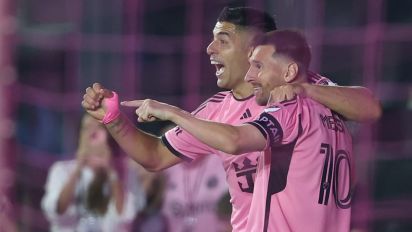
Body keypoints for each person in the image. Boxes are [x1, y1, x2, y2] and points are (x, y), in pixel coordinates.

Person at [81, 7, 380, 231]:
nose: (209, 49)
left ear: (255, 47)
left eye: (222, 40)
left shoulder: (302, 95)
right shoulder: (216, 111)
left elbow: (368, 106)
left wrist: (303, 88)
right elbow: (155, 156)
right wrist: (114, 119)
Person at [127, 29, 354, 232]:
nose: (249, 75)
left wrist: (174, 113)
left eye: (258, 66)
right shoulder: (335, 112)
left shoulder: (288, 108)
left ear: (288, 72)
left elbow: (235, 140)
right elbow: (370, 106)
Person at [41, 114, 144, 232]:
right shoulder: (61, 170)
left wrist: (110, 170)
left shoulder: (126, 173)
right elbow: (58, 211)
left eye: (99, 127)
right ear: (80, 136)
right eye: (87, 128)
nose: (92, 133)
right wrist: (79, 167)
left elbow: (125, 216)